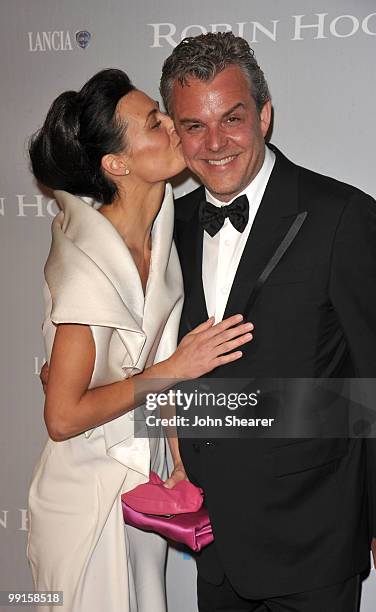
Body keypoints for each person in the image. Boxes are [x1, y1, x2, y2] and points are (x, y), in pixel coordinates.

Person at [159, 32, 376, 611]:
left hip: (313, 536)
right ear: (176, 132)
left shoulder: (341, 215)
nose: (214, 143)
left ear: (264, 114)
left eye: (231, 118)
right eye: (194, 126)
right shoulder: (169, 226)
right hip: (214, 542)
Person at [27, 68, 254, 612]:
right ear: (117, 164)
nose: (174, 125)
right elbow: (62, 417)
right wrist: (178, 367)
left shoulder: (160, 235)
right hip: (86, 496)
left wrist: (176, 456)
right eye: (155, 121)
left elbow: (149, 371)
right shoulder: (84, 266)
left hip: (140, 482)